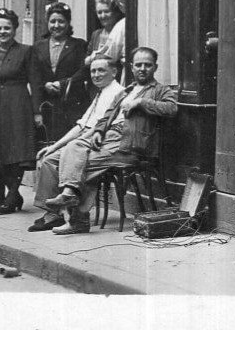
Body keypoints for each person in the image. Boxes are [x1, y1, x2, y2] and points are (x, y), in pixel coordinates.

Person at [39, 46, 178, 235]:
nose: (142, 69)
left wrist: (141, 103)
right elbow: (105, 117)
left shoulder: (160, 90)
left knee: (83, 164)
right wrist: (98, 131)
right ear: (131, 67)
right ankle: (70, 195)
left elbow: (171, 108)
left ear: (156, 67)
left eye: (148, 65)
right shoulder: (125, 92)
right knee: (73, 147)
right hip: (108, 137)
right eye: (138, 65)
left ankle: (76, 215)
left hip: (130, 145)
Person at [30, 53, 123, 230]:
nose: (96, 75)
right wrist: (54, 146)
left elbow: (97, 129)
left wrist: (70, 146)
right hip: (86, 140)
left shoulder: (116, 93)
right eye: (93, 71)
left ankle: (74, 217)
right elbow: (82, 125)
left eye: (101, 70)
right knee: (49, 159)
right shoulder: (100, 93)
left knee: (73, 156)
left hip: (104, 142)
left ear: (114, 72)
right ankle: (53, 213)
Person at [0, 8, 42, 215]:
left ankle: (12, 195)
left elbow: (36, 83)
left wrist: (36, 112)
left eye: (7, 28)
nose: (2, 32)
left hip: (17, 105)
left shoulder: (25, 51)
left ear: (15, 29)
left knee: (16, 153)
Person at [36, 2, 92, 146]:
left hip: (71, 104)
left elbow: (83, 71)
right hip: (46, 104)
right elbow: (34, 73)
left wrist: (63, 84)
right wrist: (45, 84)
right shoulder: (38, 46)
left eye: (61, 21)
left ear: (68, 23)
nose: (56, 25)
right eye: (52, 21)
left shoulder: (79, 45)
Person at [91, 0, 126, 83]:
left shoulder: (120, 31)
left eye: (106, 11)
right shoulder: (96, 35)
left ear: (115, 12)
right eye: (99, 12)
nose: (103, 16)